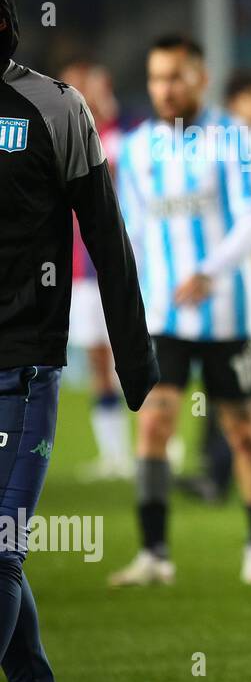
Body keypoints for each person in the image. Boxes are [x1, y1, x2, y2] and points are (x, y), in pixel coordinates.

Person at [0, 0, 157, 682]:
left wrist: (134, 356)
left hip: (22, 369)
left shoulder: (55, 107)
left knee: (1, 554)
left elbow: (108, 237)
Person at [108, 34, 251, 587]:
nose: (166, 88)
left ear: (201, 78)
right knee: (154, 425)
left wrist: (212, 270)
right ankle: (155, 555)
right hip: (162, 317)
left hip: (227, 313)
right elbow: (128, 230)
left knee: (244, 433)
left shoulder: (235, 138)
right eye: (157, 77)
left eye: (177, 76)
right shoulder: (134, 150)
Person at [60, 61, 134, 481]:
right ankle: (114, 455)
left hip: (121, 266)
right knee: (98, 363)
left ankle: (160, 444)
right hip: (81, 271)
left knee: (135, 354)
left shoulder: (124, 140)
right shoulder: (59, 141)